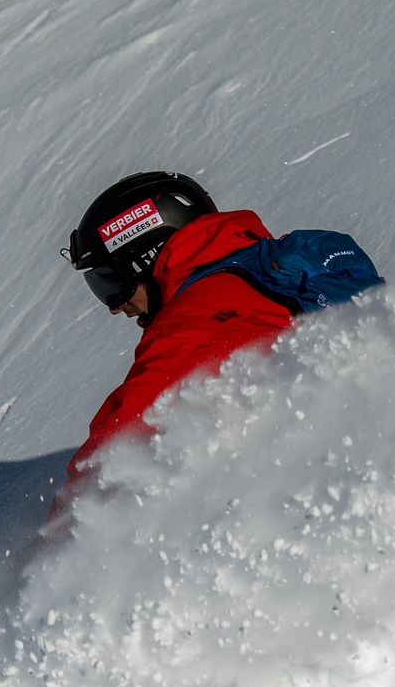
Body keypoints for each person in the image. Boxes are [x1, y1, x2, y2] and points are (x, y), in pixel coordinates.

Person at [40, 171, 320, 533]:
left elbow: (115, 443)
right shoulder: (288, 266)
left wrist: (51, 545)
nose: (114, 306)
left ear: (149, 257)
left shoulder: (186, 323)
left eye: (111, 283)